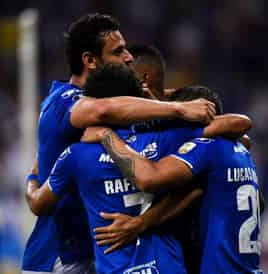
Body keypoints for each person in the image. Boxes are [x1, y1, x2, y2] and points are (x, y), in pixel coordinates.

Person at [22, 13, 217, 274]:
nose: (128, 58)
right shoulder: (64, 102)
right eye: (118, 51)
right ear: (90, 60)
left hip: (107, 251)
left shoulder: (120, 108)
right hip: (59, 257)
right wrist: (180, 109)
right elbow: (101, 110)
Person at [26, 64, 253, 273]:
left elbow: (38, 203)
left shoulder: (74, 156)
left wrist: (33, 174)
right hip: (168, 266)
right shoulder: (164, 143)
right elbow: (237, 128)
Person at [84, 86, 263, 274]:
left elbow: (147, 178)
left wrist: (107, 136)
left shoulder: (206, 147)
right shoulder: (240, 151)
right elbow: (190, 192)